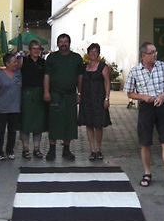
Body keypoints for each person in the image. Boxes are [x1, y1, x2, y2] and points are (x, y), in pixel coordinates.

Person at [124, 42, 164, 188]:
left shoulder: (163, 66)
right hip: (146, 108)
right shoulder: (135, 71)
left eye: (156, 51)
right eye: (152, 52)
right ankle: (147, 173)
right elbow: (129, 92)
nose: (155, 54)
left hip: (163, 106)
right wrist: (143, 97)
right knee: (145, 143)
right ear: (143, 55)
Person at [43, 33, 84, 161]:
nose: (63, 44)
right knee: (54, 122)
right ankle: (52, 150)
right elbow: (47, 76)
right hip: (55, 94)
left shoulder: (76, 58)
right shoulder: (52, 58)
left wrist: (80, 93)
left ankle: (66, 150)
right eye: (61, 41)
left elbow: (80, 77)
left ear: (69, 43)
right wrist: (46, 92)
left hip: (71, 94)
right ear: (57, 43)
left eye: (65, 41)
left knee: (70, 122)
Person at [78, 43, 112, 160]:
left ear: (98, 53)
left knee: (98, 125)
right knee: (89, 124)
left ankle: (98, 149)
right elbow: (80, 82)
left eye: (95, 51)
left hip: (99, 99)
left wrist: (107, 98)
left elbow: (107, 82)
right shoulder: (84, 67)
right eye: (91, 51)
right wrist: (79, 94)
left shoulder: (103, 67)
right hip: (86, 99)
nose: (93, 53)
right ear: (88, 54)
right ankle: (92, 149)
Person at [0, 53, 22, 160]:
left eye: (16, 62)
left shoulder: (18, 74)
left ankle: (10, 150)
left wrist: (21, 56)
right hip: (2, 107)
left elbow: (22, 63)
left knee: (12, 131)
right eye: (13, 62)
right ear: (7, 63)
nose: (15, 64)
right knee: (0, 130)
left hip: (15, 107)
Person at [20, 40, 47, 159]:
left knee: (38, 124)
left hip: (39, 94)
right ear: (29, 50)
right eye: (34, 48)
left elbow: (47, 78)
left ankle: (37, 148)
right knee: (25, 123)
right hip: (26, 94)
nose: (36, 51)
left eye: (38, 48)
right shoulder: (23, 61)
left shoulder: (43, 62)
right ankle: (25, 148)